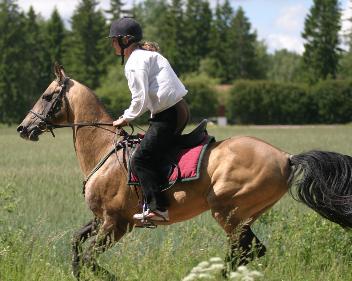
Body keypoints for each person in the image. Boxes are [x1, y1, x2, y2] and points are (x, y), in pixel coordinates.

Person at [109, 17, 190, 222]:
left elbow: (140, 98)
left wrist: (125, 118)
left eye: (114, 39)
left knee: (140, 158)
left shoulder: (135, 62)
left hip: (168, 114)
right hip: (177, 110)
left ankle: (159, 208)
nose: (112, 44)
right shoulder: (146, 56)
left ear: (126, 40)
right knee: (152, 151)